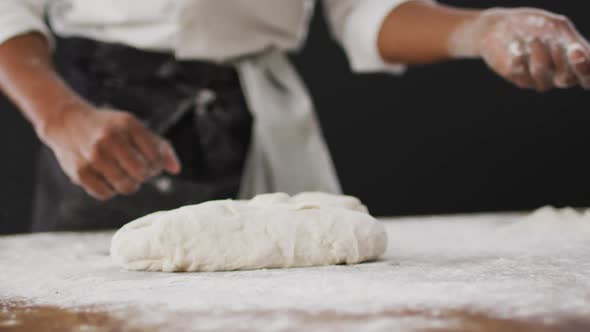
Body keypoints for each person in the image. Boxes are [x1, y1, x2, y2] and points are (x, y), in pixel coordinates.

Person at [1, 1, 589, 232]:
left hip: (254, 111)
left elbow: (365, 10)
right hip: (104, 119)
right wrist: (62, 117)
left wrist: (478, 30)